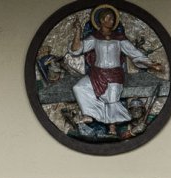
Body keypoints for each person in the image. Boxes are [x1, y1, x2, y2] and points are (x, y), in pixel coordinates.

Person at [67, 6, 159, 136]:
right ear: (101, 20)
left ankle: (112, 127)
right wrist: (78, 31)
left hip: (114, 74)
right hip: (97, 73)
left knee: (112, 100)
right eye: (108, 18)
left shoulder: (119, 38)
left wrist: (151, 64)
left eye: (113, 18)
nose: (111, 20)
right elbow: (77, 49)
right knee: (79, 87)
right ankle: (89, 114)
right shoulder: (95, 37)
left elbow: (134, 53)